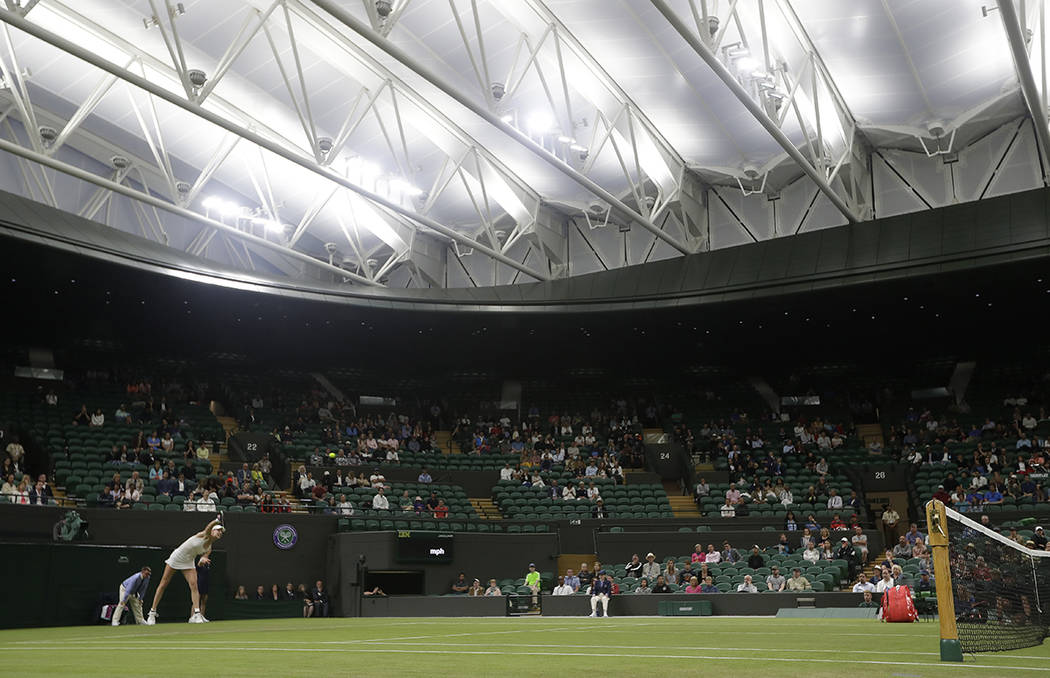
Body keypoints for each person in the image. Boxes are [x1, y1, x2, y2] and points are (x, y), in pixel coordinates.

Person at [146, 515, 224, 624]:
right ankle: (152, 613)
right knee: (163, 583)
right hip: (177, 556)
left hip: (188, 561)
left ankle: (196, 615)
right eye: (218, 530)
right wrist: (216, 520)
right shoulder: (204, 535)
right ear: (212, 531)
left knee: (194, 585)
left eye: (221, 532)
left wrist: (202, 560)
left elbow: (202, 560)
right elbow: (208, 527)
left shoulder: (209, 548)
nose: (220, 533)